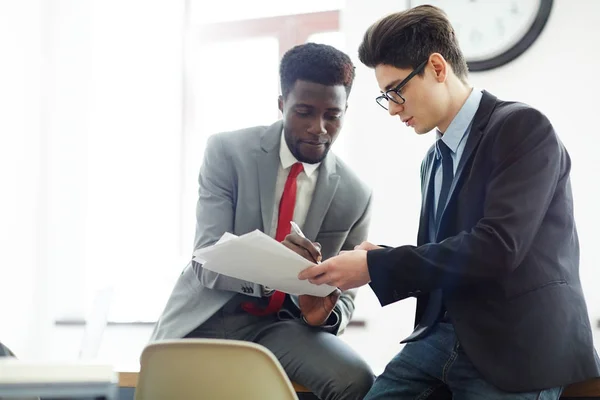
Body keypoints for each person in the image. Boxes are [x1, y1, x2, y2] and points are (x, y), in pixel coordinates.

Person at [298, 5, 600, 399]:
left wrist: (377, 265)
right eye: (384, 97)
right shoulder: (433, 160)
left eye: (396, 91)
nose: (392, 108)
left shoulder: (523, 128)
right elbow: (456, 254)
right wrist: (378, 259)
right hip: (438, 341)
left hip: (517, 347)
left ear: (438, 68)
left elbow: (497, 248)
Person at [150, 42, 375, 399]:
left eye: (332, 115)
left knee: (357, 380)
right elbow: (206, 259)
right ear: (282, 104)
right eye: (304, 111)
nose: (319, 128)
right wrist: (273, 267)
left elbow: (345, 296)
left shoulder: (355, 194)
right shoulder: (227, 153)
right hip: (207, 316)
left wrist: (325, 317)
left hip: (281, 327)